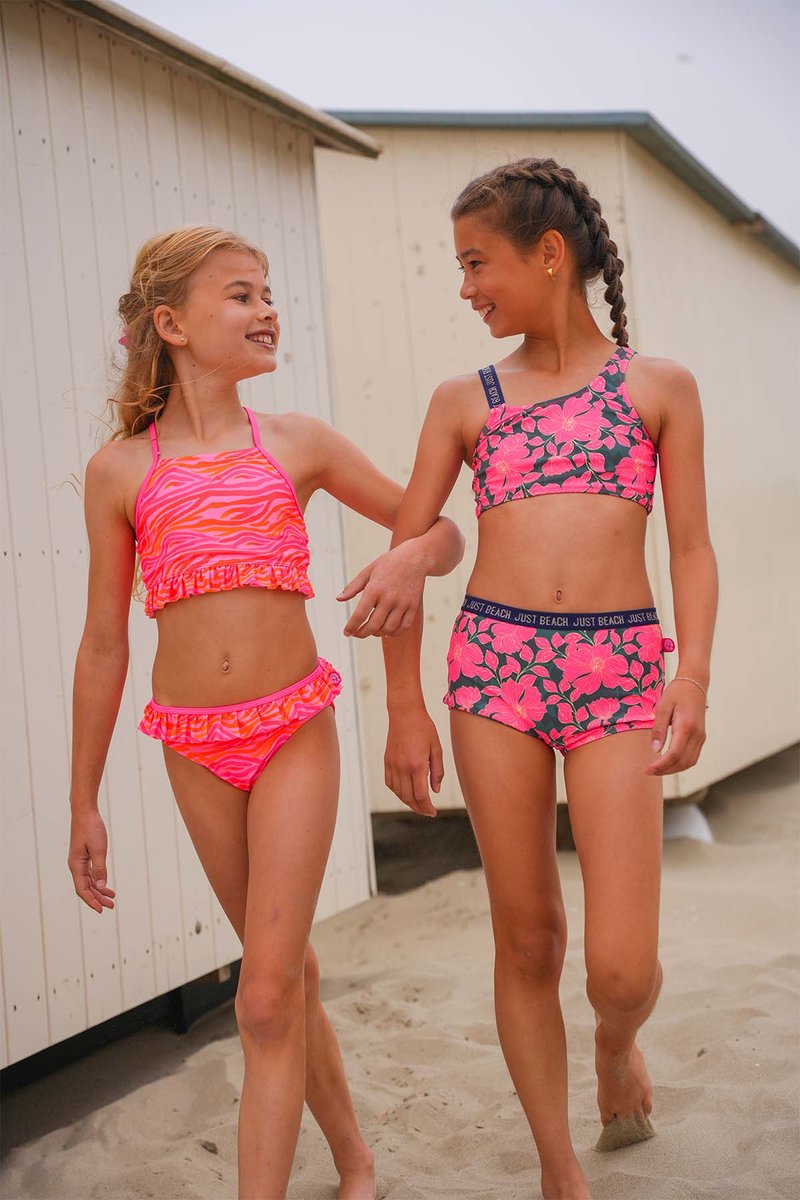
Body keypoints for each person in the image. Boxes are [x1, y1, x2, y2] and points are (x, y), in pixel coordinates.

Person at [66, 226, 463, 1200]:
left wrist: (413, 558)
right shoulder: (120, 471)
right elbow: (105, 643)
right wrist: (83, 801)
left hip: (291, 733)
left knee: (263, 999)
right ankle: (356, 1160)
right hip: (194, 748)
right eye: (241, 295)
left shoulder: (298, 443)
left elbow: (437, 526)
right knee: (283, 980)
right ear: (172, 325)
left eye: (268, 292)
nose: (266, 310)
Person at [382, 158, 717, 1200]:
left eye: (476, 262)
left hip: (621, 671)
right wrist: (403, 705)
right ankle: (557, 1166)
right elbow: (405, 555)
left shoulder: (657, 388)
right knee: (526, 939)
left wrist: (692, 677)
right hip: (494, 670)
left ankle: (615, 1046)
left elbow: (691, 548)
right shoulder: (463, 401)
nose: (465, 287)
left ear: (548, 255)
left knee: (620, 966)